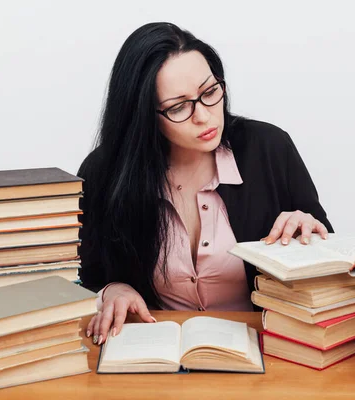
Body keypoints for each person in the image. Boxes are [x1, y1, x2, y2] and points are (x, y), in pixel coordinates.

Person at [78, 22, 333, 345]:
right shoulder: (104, 172)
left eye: (210, 92)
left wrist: (308, 230)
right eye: (179, 107)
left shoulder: (269, 148)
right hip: (155, 350)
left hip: (268, 347)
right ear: (143, 116)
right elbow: (86, 274)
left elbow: (330, 262)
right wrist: (112, 290)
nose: (205, 116)